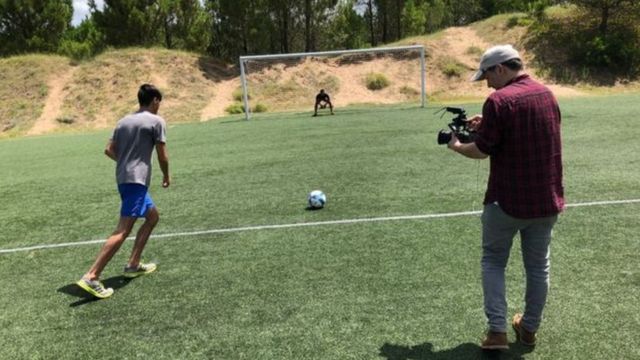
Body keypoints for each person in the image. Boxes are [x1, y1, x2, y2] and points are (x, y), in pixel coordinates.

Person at [446, 45, 564, 350]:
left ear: (500, 69)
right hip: (546, 198)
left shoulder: (498, 101)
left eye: (487, 75)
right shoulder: (547, 95)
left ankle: (497, 331)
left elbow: (481, 150)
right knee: (539, 267)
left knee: (493, 261)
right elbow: (530, 130)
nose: (486, 83)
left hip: (506, 201)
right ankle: (529, 329)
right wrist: (488, 124)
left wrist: (458, 146)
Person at [76, 84, 171, 299]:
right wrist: (166, 175)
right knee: (123, 229)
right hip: (137, 181)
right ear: (155, 100)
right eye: (159, 102)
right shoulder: (157, 121)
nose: (159, 106)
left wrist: (126, 162)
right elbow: (162, 155)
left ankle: (133, 264)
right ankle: (91, 276)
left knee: (152, 217)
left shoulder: (123, 121)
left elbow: (109, 150)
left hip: (124, 178)